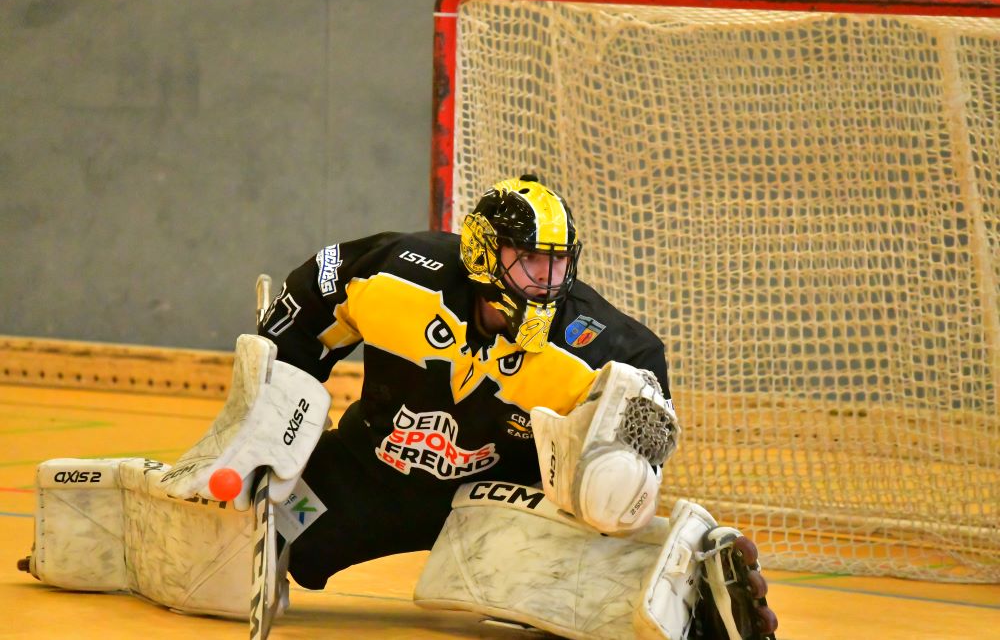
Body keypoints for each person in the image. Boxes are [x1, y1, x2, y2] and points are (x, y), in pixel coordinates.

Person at [21, 175, 777, 640]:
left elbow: (645, 382)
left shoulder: (599, 342)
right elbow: (314, 285)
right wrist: (276, 405)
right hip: (362, 479)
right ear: (484, 255)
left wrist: (623, 461)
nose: (545, 279)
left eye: (556, 263)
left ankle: (697, 589)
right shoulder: (402, 272)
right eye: (527, 261)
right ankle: (100, 537)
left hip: (490, 498)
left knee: (574, 590)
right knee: (218, 559)